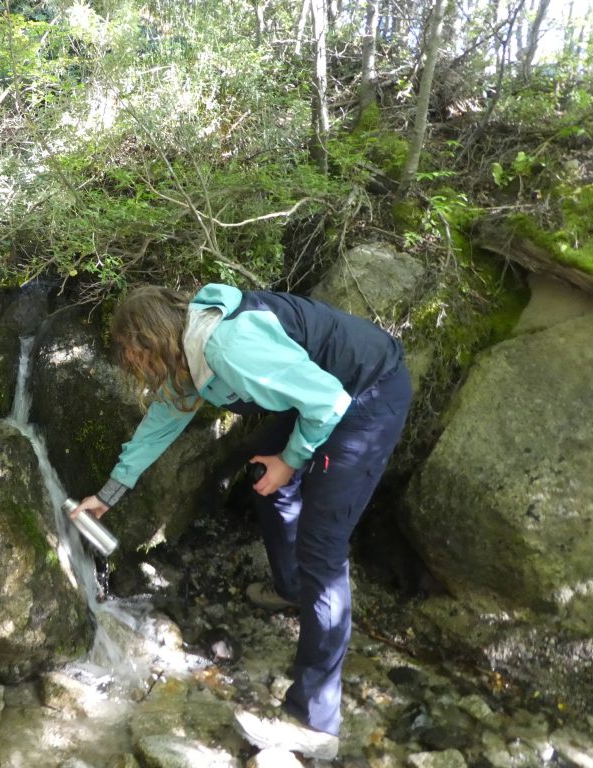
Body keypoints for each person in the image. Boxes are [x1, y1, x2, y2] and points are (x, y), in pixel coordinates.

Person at [70, 283, 412, 760]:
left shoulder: (229, 345)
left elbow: (328, 402)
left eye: (135, 357)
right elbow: (160, 423)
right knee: (262, 478)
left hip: (364, 396)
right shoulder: (187, 357)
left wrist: (290, 460)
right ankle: (292, 590)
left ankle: (315, 722)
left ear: (154, 342)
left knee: (323, 551)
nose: (137, 370)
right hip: (325, 393)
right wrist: (108, 495)